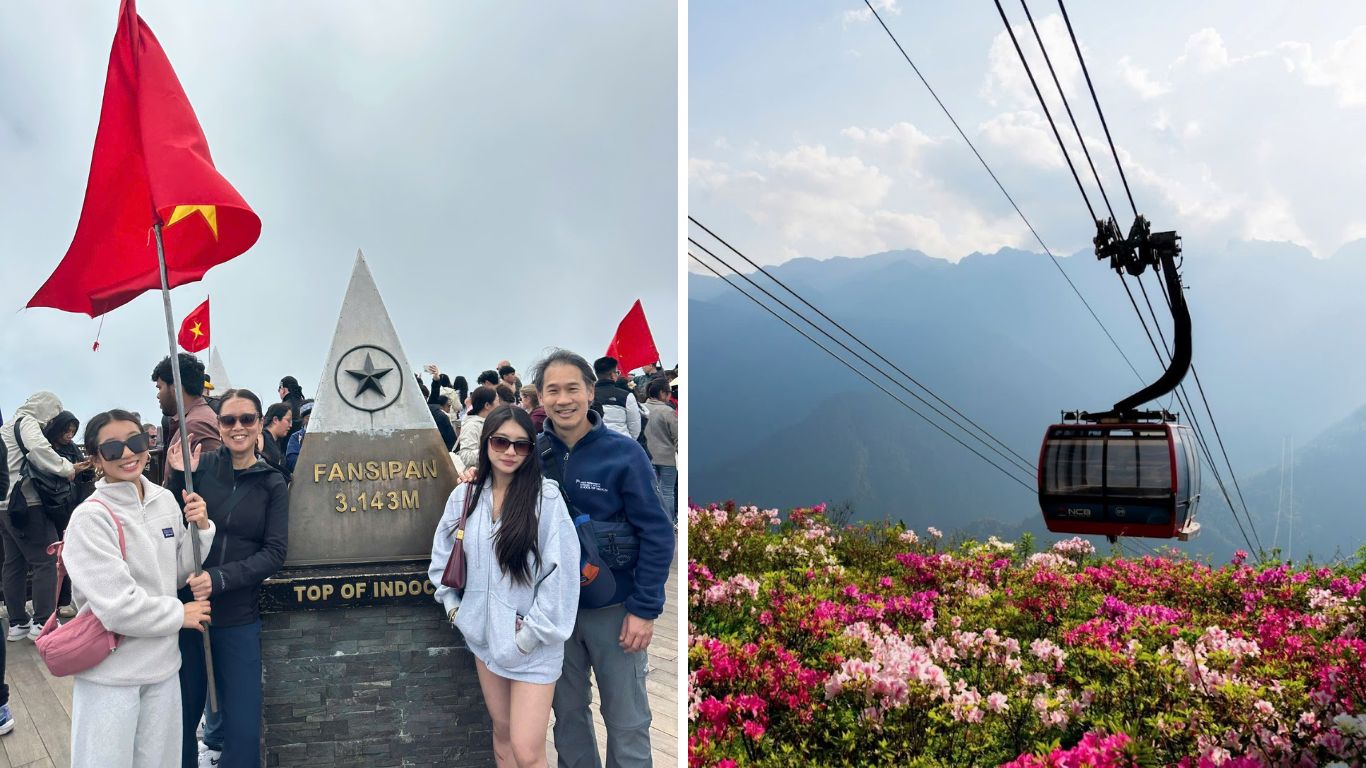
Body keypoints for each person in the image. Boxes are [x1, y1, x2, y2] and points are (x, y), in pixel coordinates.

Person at [535, 351, 674, 766]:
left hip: (615, 608)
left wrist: (644, 609)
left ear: (590, 391)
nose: (563, 400)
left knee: (627, 719)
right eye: (552, 390)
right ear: (540, 397)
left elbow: (658, 531)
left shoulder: (625, 453)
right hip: (554, 612)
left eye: (572, 388)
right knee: (568, 717)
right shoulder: (531, 454)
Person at [429, 405, 579, 768]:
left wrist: (529, 635)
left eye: (521, 445)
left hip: (533, 646)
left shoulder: (546, 500)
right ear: (486, 444)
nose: (510, 452)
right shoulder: (465, 497)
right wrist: (456, 610)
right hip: (483, 638)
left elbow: (562, 575)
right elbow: (442, 556)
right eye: (500, 442)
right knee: (502, 735)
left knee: (528, 751)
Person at [63, 410, 214, 768]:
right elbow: (116, 606)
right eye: (113, 449)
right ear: (97, 458)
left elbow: (176, 574)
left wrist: (202, 529)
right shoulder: (90, 517)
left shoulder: (164, 500)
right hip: (111, 674)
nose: (128, 454)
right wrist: (181, 613)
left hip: (163, 667)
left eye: (135, 442)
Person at [167, 389, 288, 768]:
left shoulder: (273, 483)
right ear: (218, 426)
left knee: (243, 725)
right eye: (228, 420)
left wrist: (219, 579)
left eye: (247, 419)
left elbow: (274, 553)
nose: (238, 427)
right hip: (189, 613)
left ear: (260, 426)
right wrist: (173, 479)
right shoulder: (198, 468)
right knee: (181, 720)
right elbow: (171, 528)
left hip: (237, 616)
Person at [0, 392, 84, 641]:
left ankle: (17, 623)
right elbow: (38, 449)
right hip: (28, 504)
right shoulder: (26, 423)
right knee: (45, 562)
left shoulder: (5, 428)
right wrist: (67, 468)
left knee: (13, 564)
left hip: (5, 506)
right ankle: (42, 621)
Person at [43, 411, 96, 618]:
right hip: (50, 505)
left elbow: (85, 476)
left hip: (70, 504)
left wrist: (85, 469)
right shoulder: (45, 449)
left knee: (70, 552)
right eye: (67, 431)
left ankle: (66, 599)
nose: (70, 435)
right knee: (53, 556)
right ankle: (53, 601)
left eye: (73, 431)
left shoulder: (73, 449)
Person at [153, 353, 222, 483]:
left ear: (175, 387)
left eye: (160, 387)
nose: (158, 395)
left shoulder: (196, 425)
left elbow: (215, 483)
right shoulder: (193, 420)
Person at [642, 379, 678, 525]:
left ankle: (652, 522)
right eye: (668, 392)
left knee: (650, 491)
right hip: (667, 458)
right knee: (667, 492)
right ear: (662, 393)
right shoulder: (667, 411)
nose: (670, 395)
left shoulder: (641, 408)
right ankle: (668, 523)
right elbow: (677, 435)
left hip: (646, 456)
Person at [592, 357, 642, 439]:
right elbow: (635, 425)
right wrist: (629, 440)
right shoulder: (627, 395)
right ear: (612, 375)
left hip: (595, 442)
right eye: (617, 372)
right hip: (622, 442)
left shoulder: (588, 395)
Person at [457, 388, 499, 470]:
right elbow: (466, 456)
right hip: (478, 476)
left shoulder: (490, 422)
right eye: (497, 401)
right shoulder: (472, 425)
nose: (499, 405)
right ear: (487, 405)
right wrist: (491, 450)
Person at [284, 401, 313, 474]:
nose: (311, 420)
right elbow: (291, 461)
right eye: (308, 417)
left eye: (313, 417)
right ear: (303, 419)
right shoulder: (296, 437)